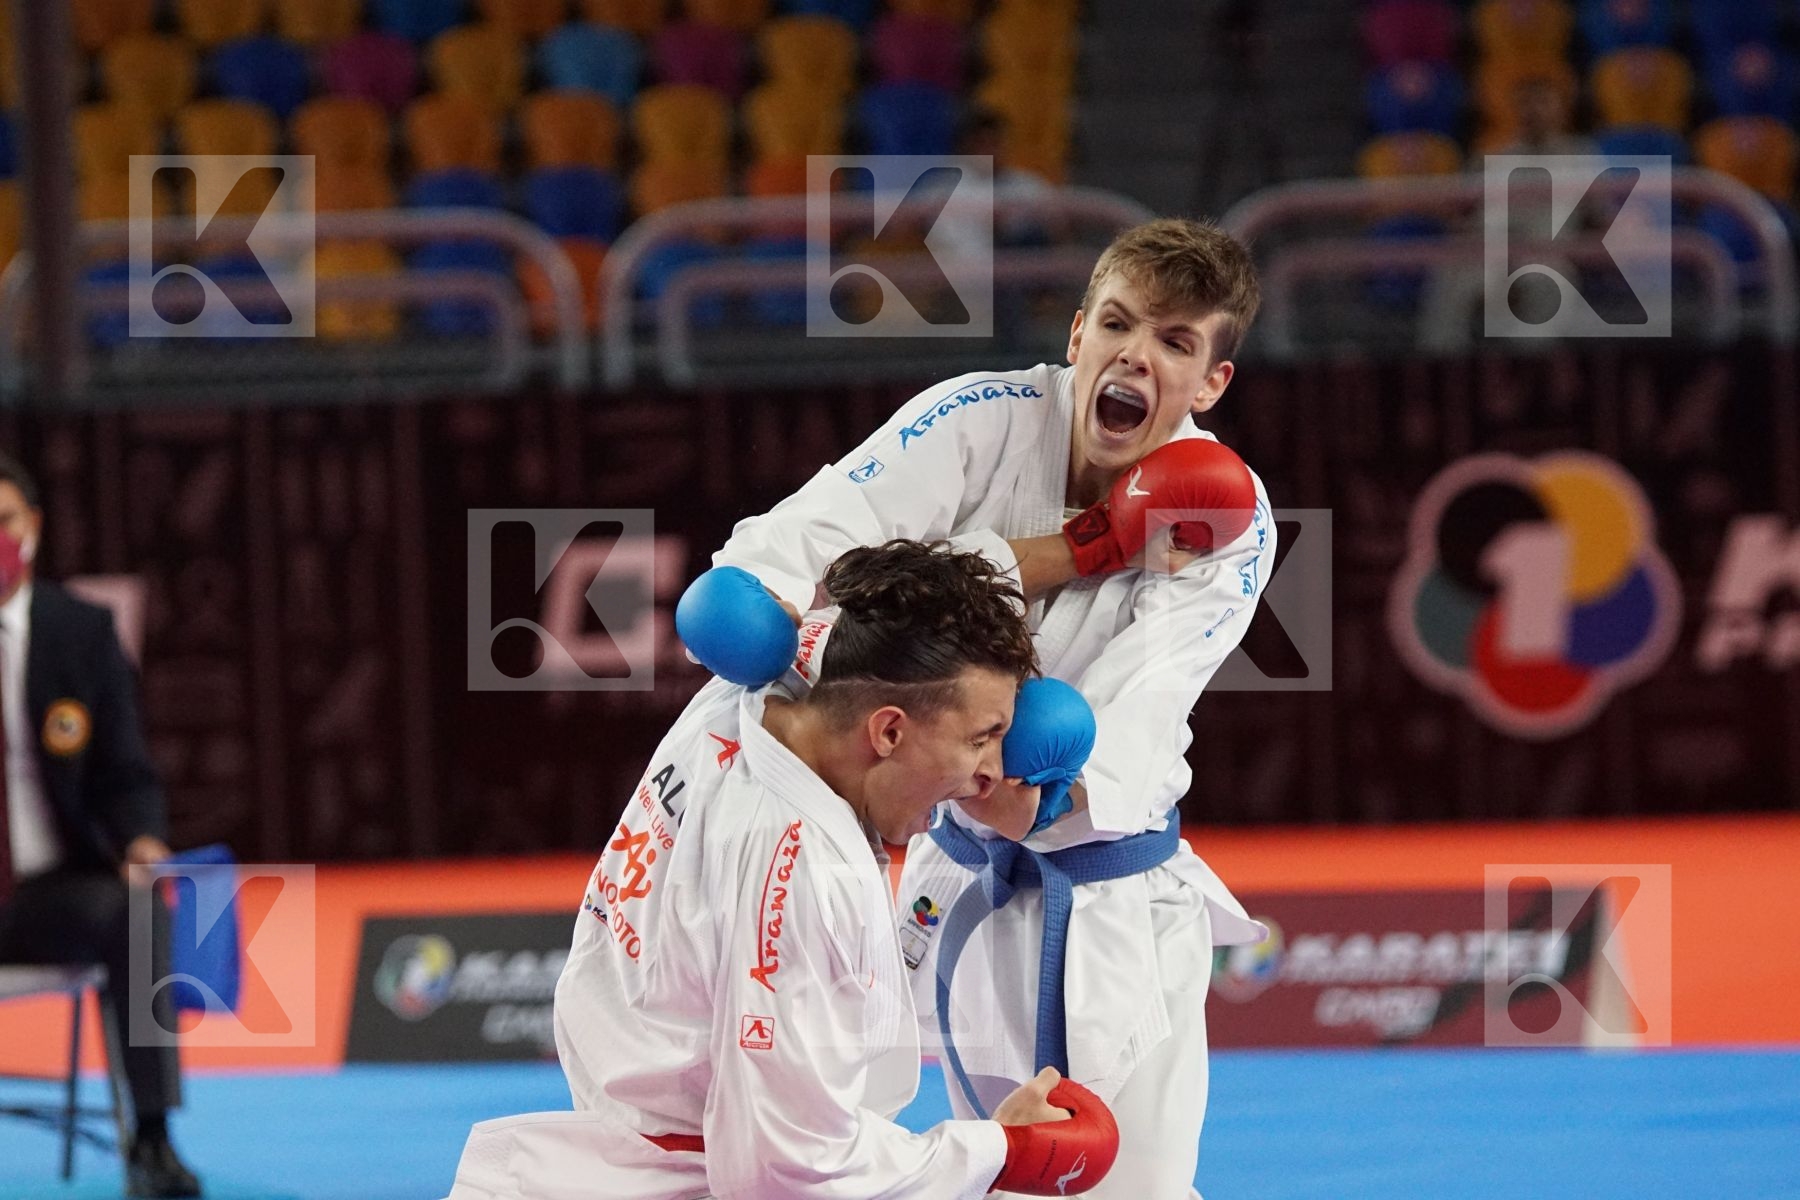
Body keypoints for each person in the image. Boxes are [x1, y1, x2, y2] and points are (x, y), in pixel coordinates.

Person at [706, 217, 1274, 1198]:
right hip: (958, 865)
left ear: (1211, 382)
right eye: (1118, 323)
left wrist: (1049, 788)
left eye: (1176, 343)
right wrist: (764, 580)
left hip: (1103, 890)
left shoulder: (1227, 509)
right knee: (986, 1165)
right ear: (1078, 336)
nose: (1136, 355)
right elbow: (842, 539)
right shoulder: (980, 418)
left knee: (1133, 1188)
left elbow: (1141, 704)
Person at [443, 539, 1120, 1199]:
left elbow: (869, 576)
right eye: (983, 738)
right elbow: (783, 1170)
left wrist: (1089, 542)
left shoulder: (756, 681)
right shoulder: (804, 876)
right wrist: (1002, 1152)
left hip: (632, 1124)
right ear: (887, 732)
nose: (991, 775)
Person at [0, 451, 201, 1198]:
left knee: (140, 913)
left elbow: (126, 770)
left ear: (35, 529)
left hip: (50, 892)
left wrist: (144, 841)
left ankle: (151, 1140)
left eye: (5, 524)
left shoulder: (79, 633)